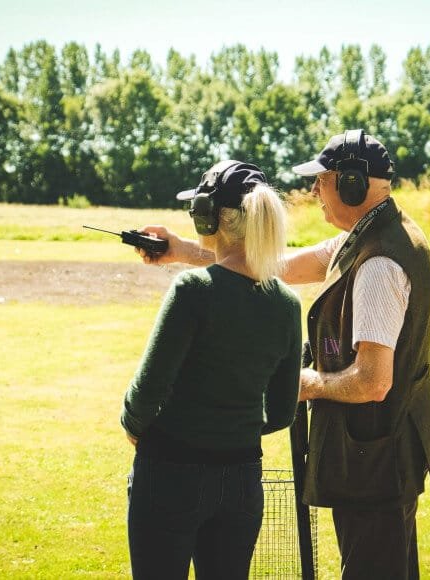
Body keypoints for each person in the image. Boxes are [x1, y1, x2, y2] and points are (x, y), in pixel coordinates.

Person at [139, 130, 430, 580]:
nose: (313, 192)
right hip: (384, 454)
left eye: (320, 181)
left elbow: (372, 380)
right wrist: (181, 251)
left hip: (375, 458)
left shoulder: (380, 263)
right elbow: (271, 264)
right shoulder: (370, 235)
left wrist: (302, 383)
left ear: (351, 184)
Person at [121, 160, 302, 580]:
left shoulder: (193, 289)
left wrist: (132, 425)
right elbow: (280, 414)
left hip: (169, 474)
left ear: (210, 216)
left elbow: (145, 393)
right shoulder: (287, 304)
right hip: (242, 480)